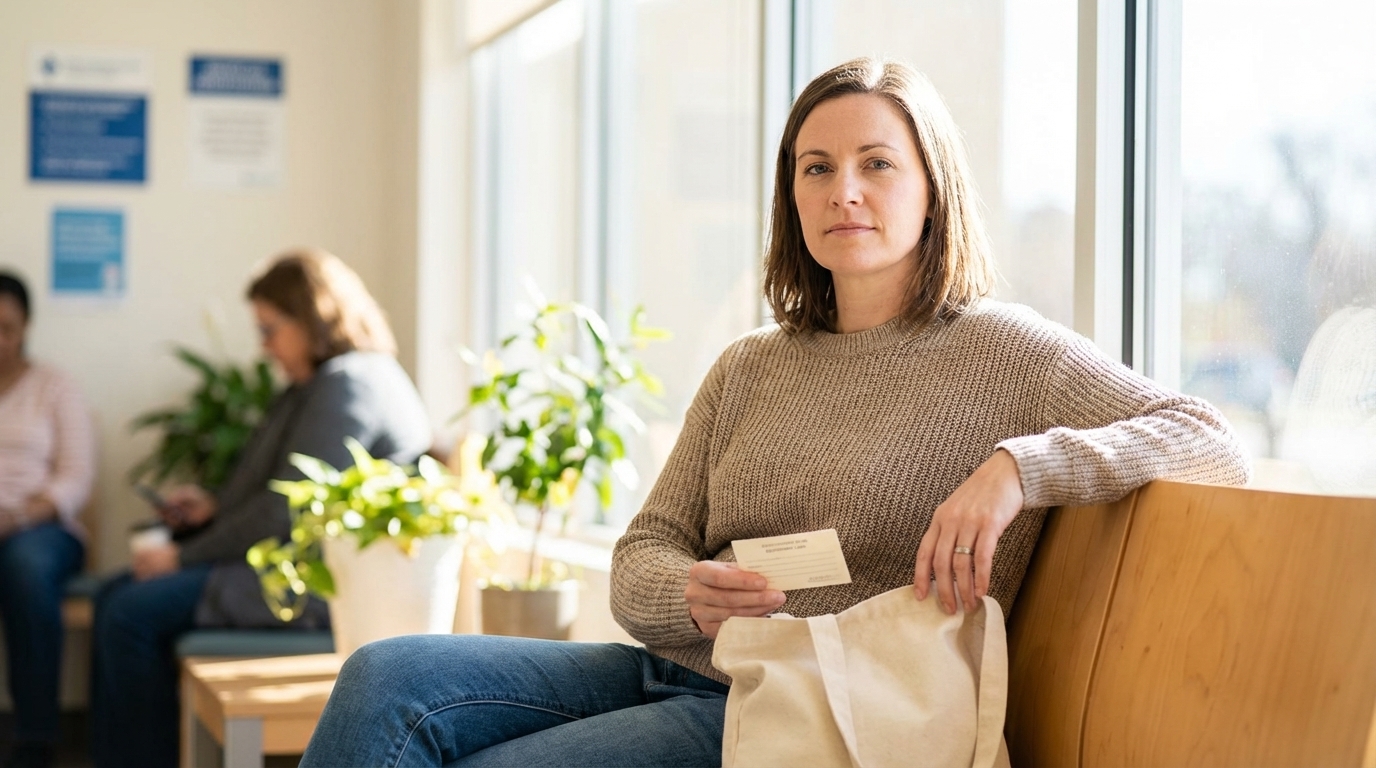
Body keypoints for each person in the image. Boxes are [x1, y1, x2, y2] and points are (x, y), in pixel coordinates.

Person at [300, 58, 1250, 768]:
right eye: (815, 167)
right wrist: (689, 592)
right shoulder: (749, 365)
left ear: (932, 188)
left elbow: (1211, 440)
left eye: (878, 164)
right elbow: (640, 560)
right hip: (685, 669)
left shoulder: (1006, 349)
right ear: (790, 196)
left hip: (818, 704)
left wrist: (1017, 469)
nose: (843, 191)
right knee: (383, 678)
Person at [90, 249, 434, 768]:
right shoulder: (325, 382)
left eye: (271, 329)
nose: (265, 347)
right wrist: (212, 507)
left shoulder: (350, 386)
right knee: (116, 595)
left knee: (128, 613)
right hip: (280, 563)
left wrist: (181, 559)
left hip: (306, 585)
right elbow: (279, 491)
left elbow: (283, 511)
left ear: (313, 316)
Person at [0, 271, 95, 768]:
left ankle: (35, 740)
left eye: (7, 328)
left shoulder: (55, 386)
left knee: (24, 568)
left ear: (26, 327)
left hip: (44, 528)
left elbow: (76, 478)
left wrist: (16, 515)